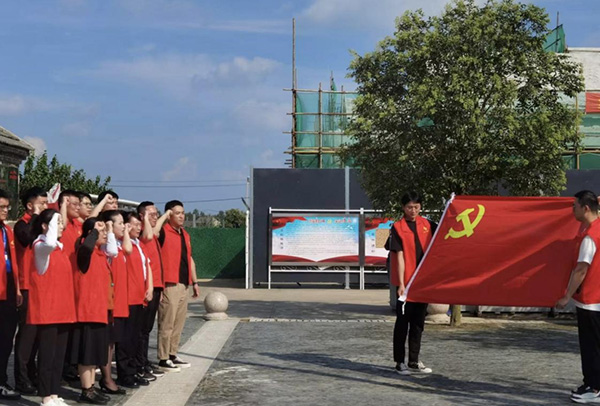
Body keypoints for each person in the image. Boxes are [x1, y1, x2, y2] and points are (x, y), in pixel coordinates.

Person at [29, 209, 76, 406]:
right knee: (47, 356)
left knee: (58, 356)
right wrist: (53, 217)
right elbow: (48, 243)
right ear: (45, 226)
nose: (61, 226)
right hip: (48, 310)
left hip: (64, 310)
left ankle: (55, 393)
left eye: (61, 223)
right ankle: (45, 396)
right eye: (57, 223)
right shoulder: (40, 246)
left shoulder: (60, 248)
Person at [557, 190, 600, 404]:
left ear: (586, 208)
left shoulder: (590, 236)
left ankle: (594, 387)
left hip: (591, 300)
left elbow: (581, 270)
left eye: (574, 206)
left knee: (591, 346)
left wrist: (566, 296)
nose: (572, 209)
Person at [389, 191, 436, 375]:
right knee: (402, 323)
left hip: (423, 282)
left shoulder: (428, 225)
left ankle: (414, 361)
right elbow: (399, 257)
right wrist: (401, 284)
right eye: (409, 207)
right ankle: (400, 362)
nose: (413, 210)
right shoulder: (398, 227)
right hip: (406, 283)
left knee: (418, 323)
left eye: (416, 207)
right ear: (403, 208)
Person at [157, 200, 199, 372]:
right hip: (169, 283)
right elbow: (152, 233)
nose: (182, 216)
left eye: (183, 212)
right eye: (177, 213)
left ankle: (173, 353)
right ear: (169, 214)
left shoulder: (185, 234)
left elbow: (189, 258)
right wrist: (164, 216)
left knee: (179, 322)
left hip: (183, 283)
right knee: (167, 322)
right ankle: (163, 358)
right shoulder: (163, 232)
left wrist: (195, 282)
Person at [72, 218, 111, 405]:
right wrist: (94, 231)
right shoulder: (84, 252)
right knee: (86, 354)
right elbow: (86, 247)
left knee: (94, 353)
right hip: (87, 311)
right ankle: (86, 390)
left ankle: (92, 387)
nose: (104, 234)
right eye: (100, 232)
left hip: (99, 311)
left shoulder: (100, 254)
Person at [13, 186, 47, 395]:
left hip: (40, 286)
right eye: (41, 203)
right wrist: (35, 216)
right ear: (29, 205)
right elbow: (26, 238)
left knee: (37, 335)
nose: (45, 206)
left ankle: (32, 373)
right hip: (26, 286)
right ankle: (22, 378)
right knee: (26, 334)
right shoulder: (22, 224)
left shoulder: (42, 227)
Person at [115, 212, 153, 388]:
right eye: (134, 225)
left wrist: (149, 287)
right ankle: (125, 374)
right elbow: (126, 250)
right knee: (126, 339)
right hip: (128, 297)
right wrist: (125, 233)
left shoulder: (139, 244)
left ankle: (134, 369)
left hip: (139, 296)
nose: (138, 228)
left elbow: (147, 266)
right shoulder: (123, 245)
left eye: (139, 225)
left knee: (136, 337)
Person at [136, 201, 166, 379]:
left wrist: (160, 288)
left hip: (155, 287)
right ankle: (139, 363)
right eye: (151, 214)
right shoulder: (142, 233)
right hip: (146, 288)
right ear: (142, 216)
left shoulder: (153, 235)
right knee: (141, 330)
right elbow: (147, 233)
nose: (155, 217)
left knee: (147, 329)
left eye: (156, 214)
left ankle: (144, 360)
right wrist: (146, 219)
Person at [0, 188, 23, 400]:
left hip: (8, 287)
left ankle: (2, 381)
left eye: (7, 207)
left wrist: (16, 288)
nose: (6, 210)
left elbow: (13, 261)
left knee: (7, 337)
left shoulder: (7, 230)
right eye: (2, 207)